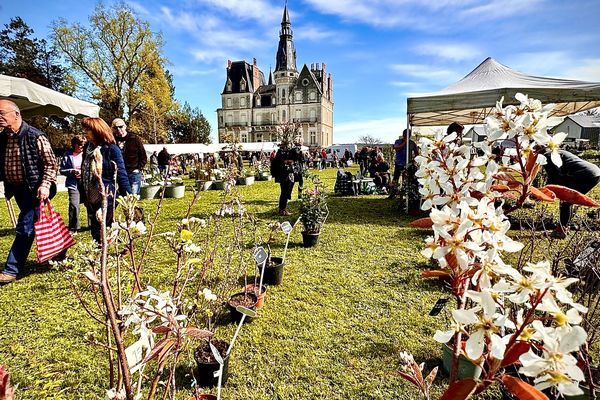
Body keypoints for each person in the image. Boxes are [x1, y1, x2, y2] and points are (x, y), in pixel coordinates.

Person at [0, 100, 59, 283]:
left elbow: (51, 163)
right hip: (18, 190)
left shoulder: (35, 136)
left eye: (1, 113)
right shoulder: (3, 138)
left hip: (36, 189)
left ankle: (11, 269)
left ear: (16, 114)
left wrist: (45, 185)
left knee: (25, 228)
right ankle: (60, 250)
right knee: (40, 223)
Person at [80, 117, 132, 243]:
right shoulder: (87, 148)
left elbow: (121, 174)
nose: (84, 132)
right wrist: (84, 196)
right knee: (98, 229)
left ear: (97, 130)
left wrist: (129, 197)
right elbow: (84, 172)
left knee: (99, 230)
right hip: (91, 197)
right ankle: (118, 243)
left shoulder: (111, 149)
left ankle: (104, 256)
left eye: (87, 130)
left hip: (106, 196)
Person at [541, 148, 600, 239]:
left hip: (583, 174)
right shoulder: (557, 151)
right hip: (594, 172)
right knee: (567, 202)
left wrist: (541, 193)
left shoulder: (546, 156)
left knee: (565, 201)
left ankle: (561, 231)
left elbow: (555, 177)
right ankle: (563, 228)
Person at [111, 118, 147, 195]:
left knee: (133, 197)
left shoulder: (134, 138)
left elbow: (143, 155)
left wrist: (138, 168)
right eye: (115, 127)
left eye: (120, 126)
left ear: (125, 126)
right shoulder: (111, 140)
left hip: (133, 172)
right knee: (122, 197)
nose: (118, 129)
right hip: (119, 173)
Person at [60, 135, 86, 233]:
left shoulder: (87, 154)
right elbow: (62, 170)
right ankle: (73, 227)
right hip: (73, 183)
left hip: (86, 182)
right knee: (74, 204)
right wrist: (71, 171)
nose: (82, 147)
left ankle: (93, 225)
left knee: (91, 204)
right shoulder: (67, 155)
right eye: (80, 145)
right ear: (74, 144)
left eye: (83, 145)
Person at [272, 138, 303, 216]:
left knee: (286, 192)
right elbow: (277, 162)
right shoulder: (281, 153)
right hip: (284, 175)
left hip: (288, 174)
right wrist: (286, 162)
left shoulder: (286, 152)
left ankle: (283, 209)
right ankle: (282, 210)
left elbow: (298, 157)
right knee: (285, 192)